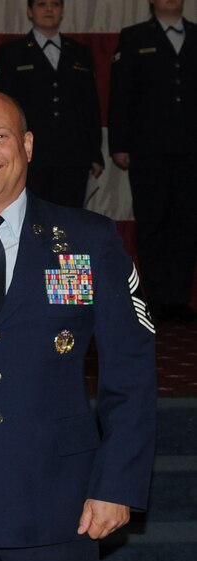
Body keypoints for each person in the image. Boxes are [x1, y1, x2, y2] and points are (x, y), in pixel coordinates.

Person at [0, 89, 157, 561]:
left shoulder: (87, 240)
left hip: (60, 506)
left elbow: (130, 372)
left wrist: (117, 484)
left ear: (28, 145)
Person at [108, 0, 197, 324]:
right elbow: (121, 93)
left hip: (191, 149)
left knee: (188, 224)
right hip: (148, 150)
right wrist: (119, 143)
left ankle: (179, 300)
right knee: (152, 223)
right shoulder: (134, 36)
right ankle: (157, 299)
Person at [0, 0, 104, 208]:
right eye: (42, 4)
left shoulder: (80, 53)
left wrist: (95, 153)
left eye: (55, 4)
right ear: (29, 11)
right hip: (30, 155)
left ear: (62, 11)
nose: (49, 9)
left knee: (70, 219)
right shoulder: (12, 53)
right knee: (32, 217)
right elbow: (3, 109)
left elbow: (90, 106)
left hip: (74, 154)